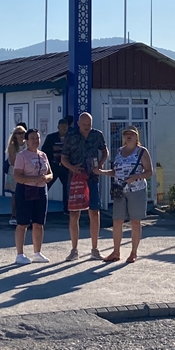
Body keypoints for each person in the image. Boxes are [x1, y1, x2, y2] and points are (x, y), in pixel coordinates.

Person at [95, 126, 153, 263]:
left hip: (136, 190)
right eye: (126, 134)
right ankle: (116, 252)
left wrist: (136, 176)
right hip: (120, 190)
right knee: (117, 220)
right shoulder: (119, 151)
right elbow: (116, 171)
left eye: (131, 134)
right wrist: (102, 172)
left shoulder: (142, 152)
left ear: (136, 137)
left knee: (135, 221)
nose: (128, 136)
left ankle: (133, 252)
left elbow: (149, 171)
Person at [61, 112, 108, 261]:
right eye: (84, 125)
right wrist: (72, 168)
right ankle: (74, 249)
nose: (87, 128)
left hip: (92, 178)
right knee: (74, 214)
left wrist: (100, 165)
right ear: (79, 124)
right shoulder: (71, 136)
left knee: (94, 212)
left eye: (89, 125)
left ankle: (95, 249)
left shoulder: (97, 135)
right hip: (75, 179)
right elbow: (63, 158)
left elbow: (104, 151)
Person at [13, 128, 54, 264]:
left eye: (37, 138)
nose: (35, 141)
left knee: (38, 223)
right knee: (23, 223)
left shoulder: (43, 155)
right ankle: (20, 254)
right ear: (26, 140)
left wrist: (46, 178)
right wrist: (33, 179)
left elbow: (50, 173)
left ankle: (37, 252)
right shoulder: (22, 156)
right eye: (32, 138)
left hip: (41, 190)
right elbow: (17, 176)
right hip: (26, 190)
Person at [41, 117, 72, 210]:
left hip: (66, 167)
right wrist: (52, 149)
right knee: (46, 186)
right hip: (53, 166)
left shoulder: (71, 138)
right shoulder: (51, 137)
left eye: (65, 127)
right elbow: (43, 150)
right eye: (62, 127)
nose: (64, 128)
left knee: (67, 188)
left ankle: (67, 209)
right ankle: (41, 207)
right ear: (58, 127)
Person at [4, 124, 28, 226]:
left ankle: (25, 215)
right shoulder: (12, 146)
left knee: (26, 195)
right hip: (15, 172)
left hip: (27, 172)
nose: (21, 135)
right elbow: (13, 162)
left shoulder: (28, 144)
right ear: (15, 135)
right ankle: (14, 215)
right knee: (15, 195)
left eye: (23, 133)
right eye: (19, 133)